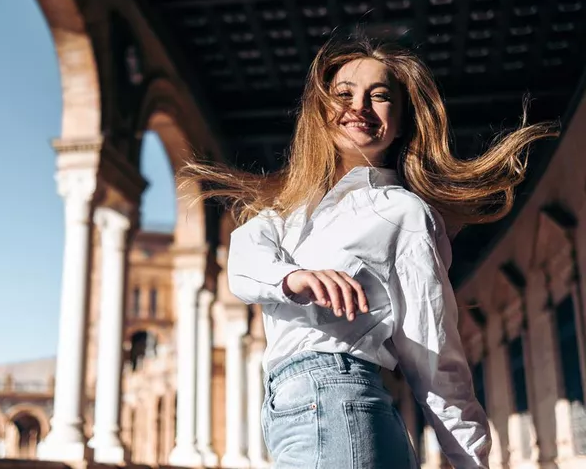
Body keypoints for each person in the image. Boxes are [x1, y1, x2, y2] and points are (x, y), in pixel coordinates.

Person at [183, 35, 555, 468]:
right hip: (302, 412)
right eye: (344, 94)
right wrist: (293, 278)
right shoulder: (289, 211)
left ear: (402, 121)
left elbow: (433, 352)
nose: (358, 106)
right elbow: (243, 262)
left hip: (338, 403)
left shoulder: (404, 213)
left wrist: (471, 459)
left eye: (379, 97)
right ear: (321, 111)